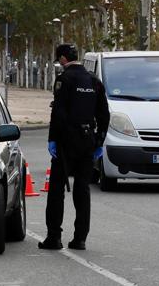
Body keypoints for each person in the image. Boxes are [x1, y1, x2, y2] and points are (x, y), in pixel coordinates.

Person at [39, 44, 109, 252]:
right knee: (82, 190)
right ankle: (80, 239)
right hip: (88, 141)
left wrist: (53, 139)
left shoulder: (64, 80)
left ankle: (54, 237)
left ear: (62, 59)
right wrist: (99, 141)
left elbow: (58, 113)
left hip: (65, 142)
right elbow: (104, 115)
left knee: (56, 190)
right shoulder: (94, 81)